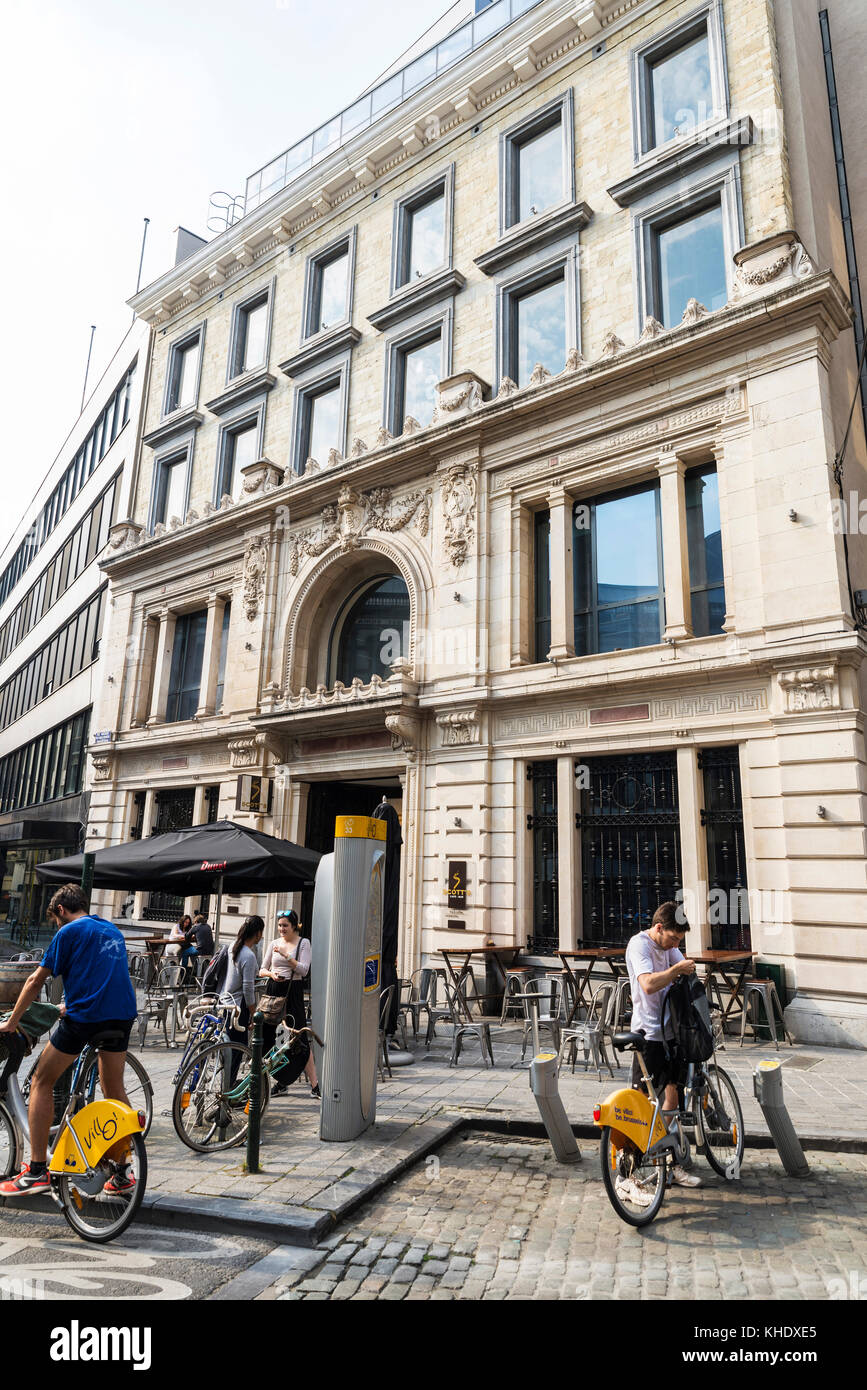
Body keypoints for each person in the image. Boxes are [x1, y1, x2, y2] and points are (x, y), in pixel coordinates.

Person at [0, 883, 138, 1196]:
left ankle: (36, 1170)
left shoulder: (69, 931)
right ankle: (122, 1171)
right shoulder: (111, 929)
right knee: (114, 1088)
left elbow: (36, 979)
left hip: (87, 1018)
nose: (56, 926)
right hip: (122, 1016)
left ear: (60, 910)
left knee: (41, 1081)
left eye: (55, 920)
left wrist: (13, 1020)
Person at [624, 900, 702, 1194]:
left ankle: (669, 1167)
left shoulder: (670, 948)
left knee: (673, 1097)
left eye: (680, 941)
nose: (676, 945)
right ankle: (627, 1173)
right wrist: (677, 969)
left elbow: (684, 974)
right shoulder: (639, 946)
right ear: (659, 928)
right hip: (647, 1035)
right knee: (639, 1103)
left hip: (672, 1035)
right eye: (673, 938)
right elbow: (647, 984)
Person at [259, 910, 319, 1098]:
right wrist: (271, 974)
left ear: (294, 926)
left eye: (285, 925)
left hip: (293, 992)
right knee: (274, 1038)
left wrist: (286, 956)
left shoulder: (303, 943)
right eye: (279, 925)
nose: (282, 929)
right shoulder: (273, 943)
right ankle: (282, 1081)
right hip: (274, 992)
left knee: (298, 1037)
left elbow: (304, 969)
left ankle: (315, 1085)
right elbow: (262, 969)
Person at [224, 915, 264, 1083]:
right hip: (239, 1006)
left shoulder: (233, 946)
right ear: (258, 934)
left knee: (229, 1049)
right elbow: (248, 989)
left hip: (226, 1002)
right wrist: (254, 1012)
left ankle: (227, 1083)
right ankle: (230, 1086)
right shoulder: (248, 955)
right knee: (237, 1049)